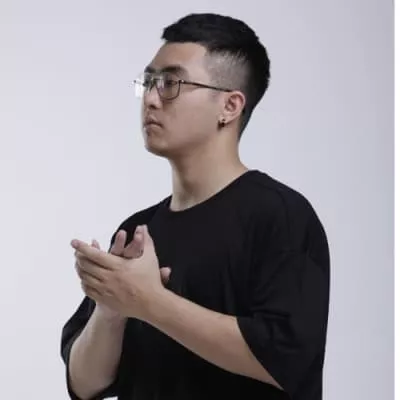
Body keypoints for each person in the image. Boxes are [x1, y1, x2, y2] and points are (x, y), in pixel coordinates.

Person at [61, 12, 330, 400]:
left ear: (230, 106)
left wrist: (149, 302)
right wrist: (111, 308)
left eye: (171, 83)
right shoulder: (138, 230)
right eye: (148, 82)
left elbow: (284, 359)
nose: (151, 98)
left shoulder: (281, 216)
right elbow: (84, 385)